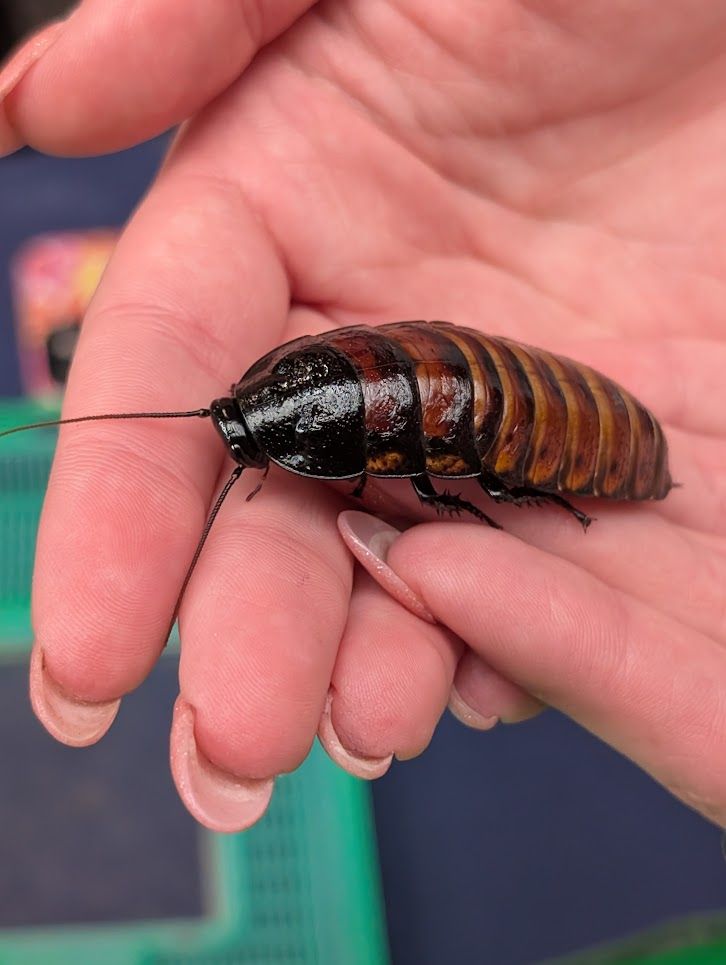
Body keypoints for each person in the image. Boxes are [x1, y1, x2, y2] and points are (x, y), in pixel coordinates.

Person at [1, 0, 725, 835]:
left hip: (579, 422)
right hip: (516, 390)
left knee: (479, 472)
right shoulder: (339, 406)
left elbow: (430, 472)